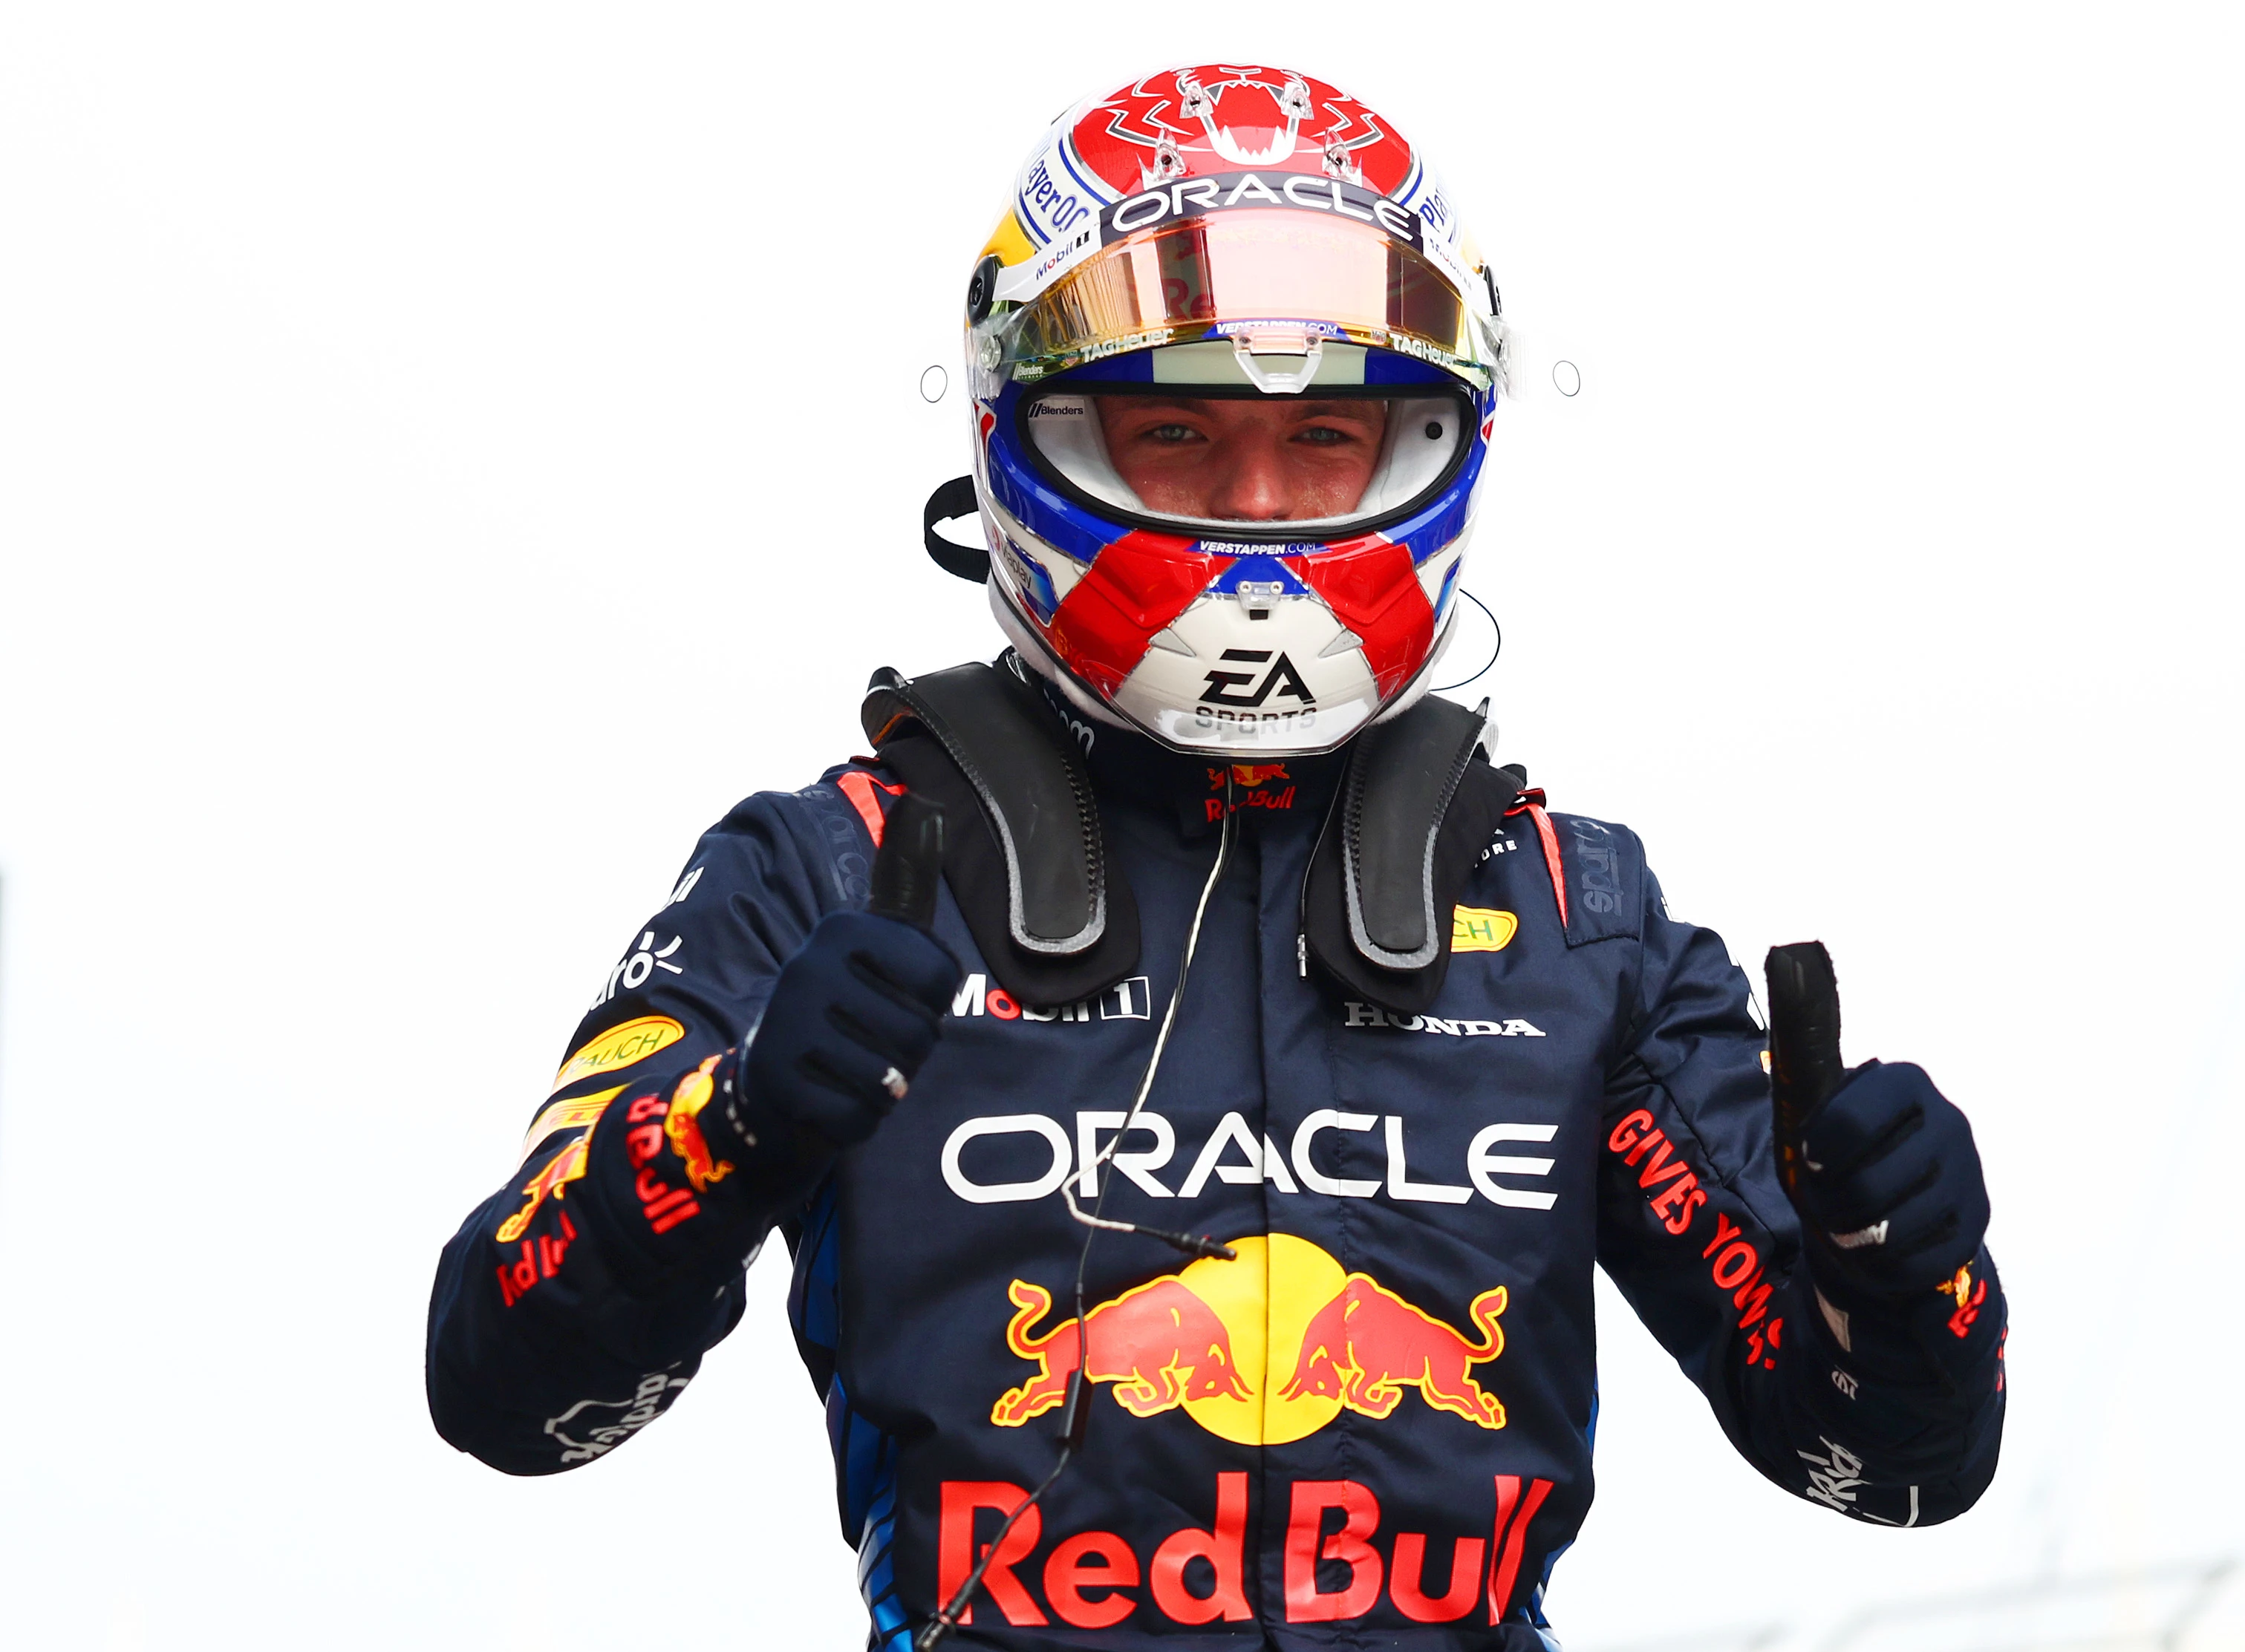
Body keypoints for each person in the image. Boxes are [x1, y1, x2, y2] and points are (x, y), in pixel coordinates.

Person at [426, 62, 2007, 1649]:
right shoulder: (833, 869)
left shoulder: (1572, 918)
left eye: (1325, 436)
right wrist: (729, 1128)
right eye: (1174, 430)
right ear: (1019, 434)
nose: (1254, 509)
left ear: (1438, 441)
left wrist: (1905, 1267)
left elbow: (1893, 1471)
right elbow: (500, 1380)